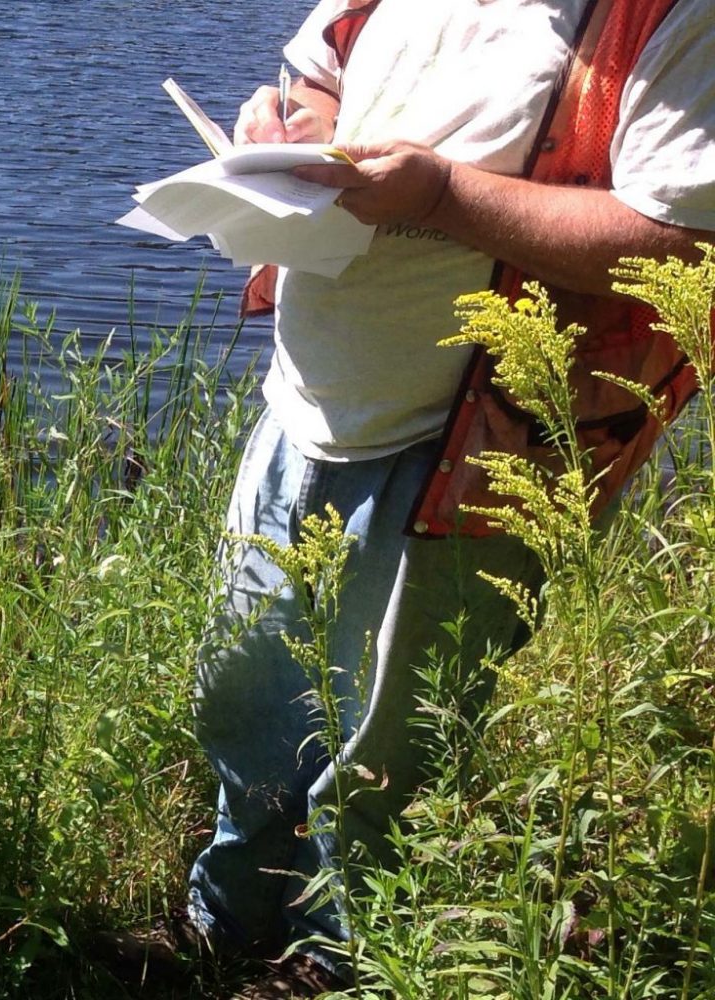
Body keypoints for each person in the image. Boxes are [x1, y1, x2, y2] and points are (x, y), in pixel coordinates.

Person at [183, 0, 715, 990]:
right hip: (302, 407)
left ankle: (336, 959)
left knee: (386, 756)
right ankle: (228, 915)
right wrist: (283, 124)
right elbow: (323, 70)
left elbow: (675, 241)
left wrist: (434, 194)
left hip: (471, 458)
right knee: (244, 699)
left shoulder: (670, 18)